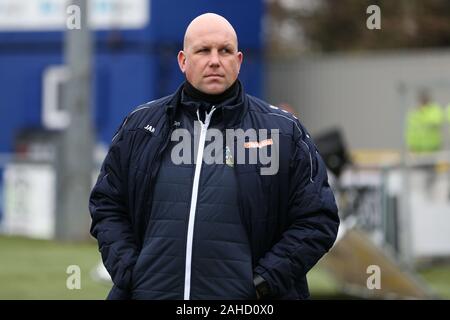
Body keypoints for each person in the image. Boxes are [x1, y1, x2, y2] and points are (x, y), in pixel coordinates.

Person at [89, 13, 339, 300]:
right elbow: (107, 204)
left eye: (225, 51)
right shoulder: (140, 126)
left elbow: (318, 218)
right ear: (183, 60)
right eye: (203, 50)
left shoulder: (283, 132)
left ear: (239, 60)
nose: (215, 60)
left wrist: (264, 283)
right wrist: (129, 271)